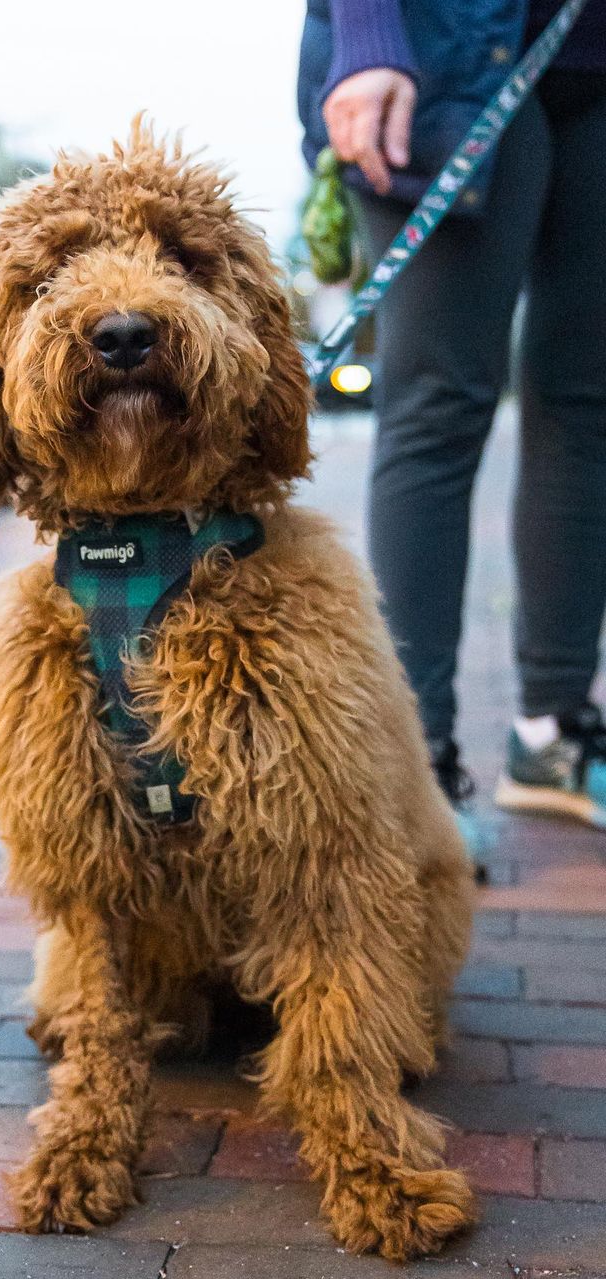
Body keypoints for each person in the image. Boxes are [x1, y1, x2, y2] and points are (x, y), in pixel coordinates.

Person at [298, 0, 606, 847]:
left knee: (587, 406)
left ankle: (554, 734)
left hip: (592, 64)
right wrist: (366, 37)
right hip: (443, 55)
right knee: (438, 405)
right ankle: (414, 761)